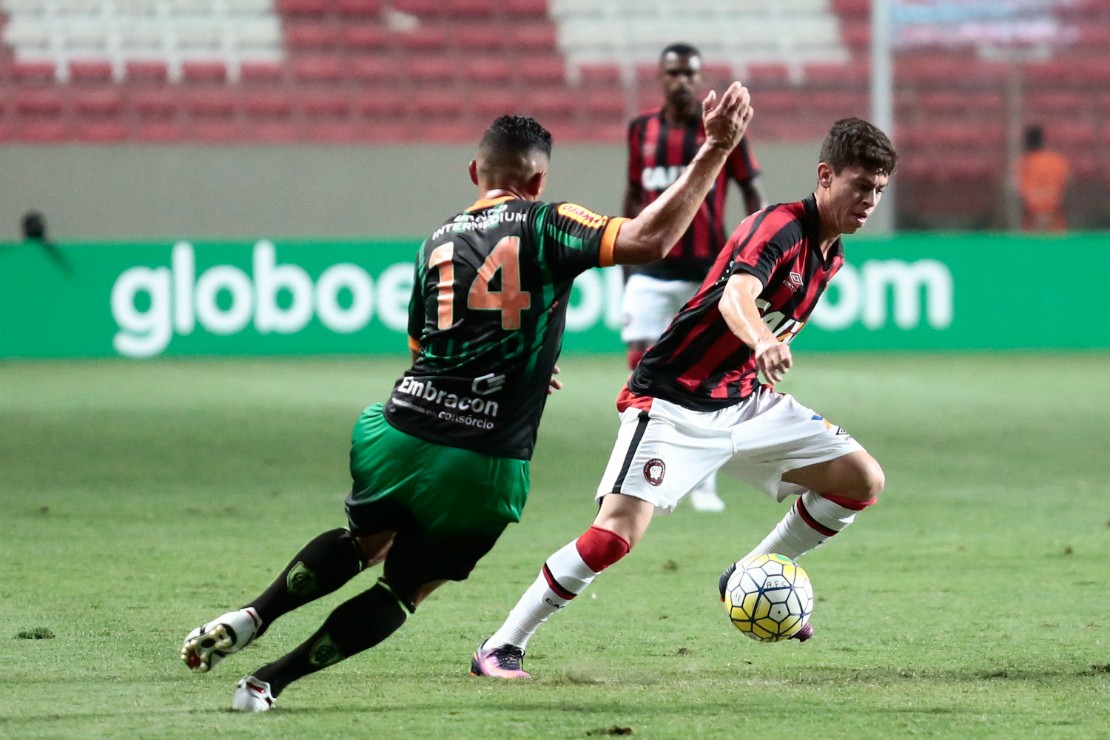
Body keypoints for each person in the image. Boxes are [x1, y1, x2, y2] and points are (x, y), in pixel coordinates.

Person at [180, 86, 755, 712]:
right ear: (537, 180)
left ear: (475, 172)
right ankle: (267, 682)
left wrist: (513, 362)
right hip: (484, 456)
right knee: (404, 588)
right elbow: (649, 239)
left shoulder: (437, 239)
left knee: (362, 542)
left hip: (397, 429)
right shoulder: (547, 220)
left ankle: (253, 614)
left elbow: (423, 343)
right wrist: (715, 149)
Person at [471, 117, 897, 679]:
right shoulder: (778, 227)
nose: (869, 201)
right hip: (672, 401)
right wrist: (762, 340)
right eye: (860, 186)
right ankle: (502, 645)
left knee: (861, 480)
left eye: (879, 190)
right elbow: (735, 297)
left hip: (744, 402)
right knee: (613, 536)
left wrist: (757, 361)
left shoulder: (830, 254)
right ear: (825, 176)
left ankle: (746, 572)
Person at [622, 42, 766, 513]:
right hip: (649, 269)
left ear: (699, 78)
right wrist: (624, 264)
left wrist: (756, 253)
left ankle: (703, 482)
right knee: (642, 372)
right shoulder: (640, 130)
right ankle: (643, 471)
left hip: (706, 271)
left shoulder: (723, 133)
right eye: (674, 73)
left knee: (705, 376)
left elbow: (753, 193)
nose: (682, 81)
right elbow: (632, 195)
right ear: (661, 77)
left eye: (690, 73)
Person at [1016, 123, 1069, 233]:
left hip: (1032, 224)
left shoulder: (1023, 164)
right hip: (1054, 222)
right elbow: (1067, 191)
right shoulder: (1057, 161)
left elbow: (1019, 196)